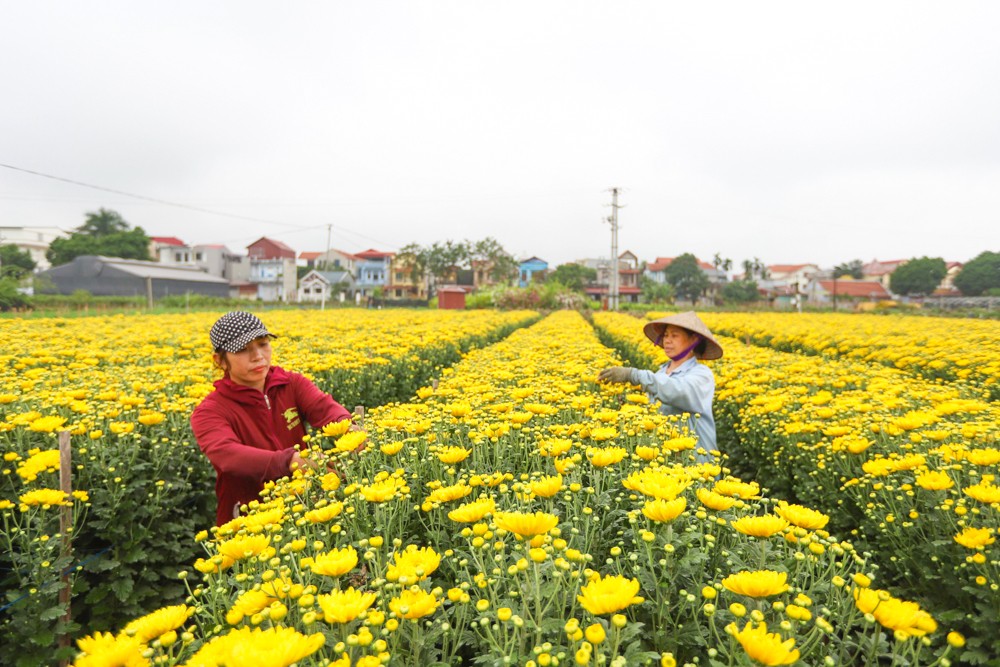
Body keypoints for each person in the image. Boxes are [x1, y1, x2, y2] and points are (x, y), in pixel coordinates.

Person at [191, 311, 353, 525]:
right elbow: (229, 456)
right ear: (220, 360)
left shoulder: (291, 384)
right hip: (249, 524)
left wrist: (351, 430)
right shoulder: (210, 411)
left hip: (305, 509)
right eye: (243, 349)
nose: (258, 355)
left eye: (263, 344)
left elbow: (325, 409)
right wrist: (290, 461)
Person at [597, 311, 723, 461]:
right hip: (667, 459)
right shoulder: (661, 372)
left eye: (674, 335)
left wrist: (633, 375)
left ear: (694, 339)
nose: (667, 341)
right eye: (666, 335)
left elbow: (677, 391)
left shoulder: (702, 375)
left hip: (696, 462)